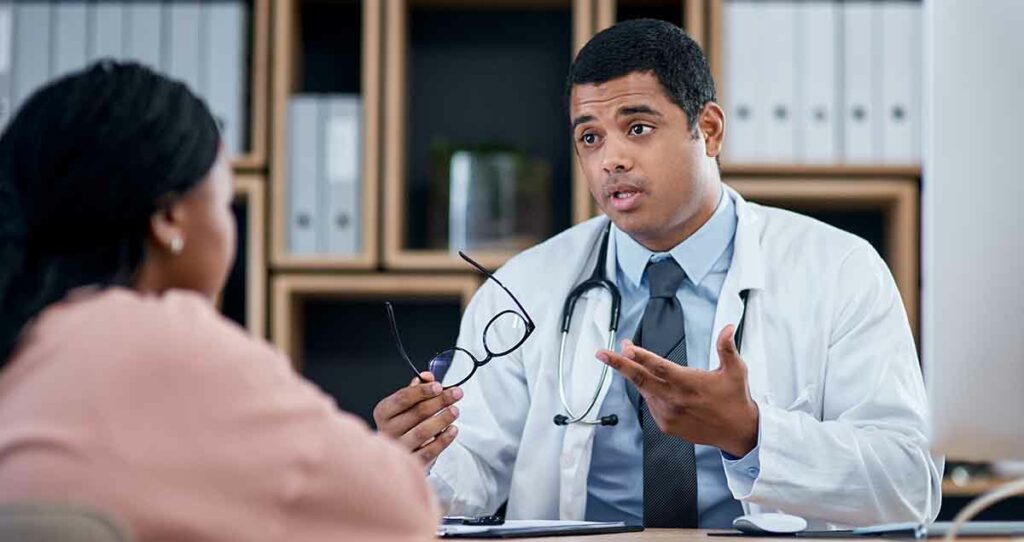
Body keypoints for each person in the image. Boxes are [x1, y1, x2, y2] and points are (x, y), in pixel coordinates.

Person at [373, 19, 942, 529]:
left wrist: (750, 434)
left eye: (638, 127)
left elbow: (911, 482)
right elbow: (470, 487)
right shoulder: (524, 286)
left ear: (710, 130)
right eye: (589, 137)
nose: (610, 159)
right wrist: (419, 455)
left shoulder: (839, 269)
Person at [0, 62, 437, 541]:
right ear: (169, 217)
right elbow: (401, 515)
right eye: (225, 200)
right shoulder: (171, 341)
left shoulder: (28, 334)